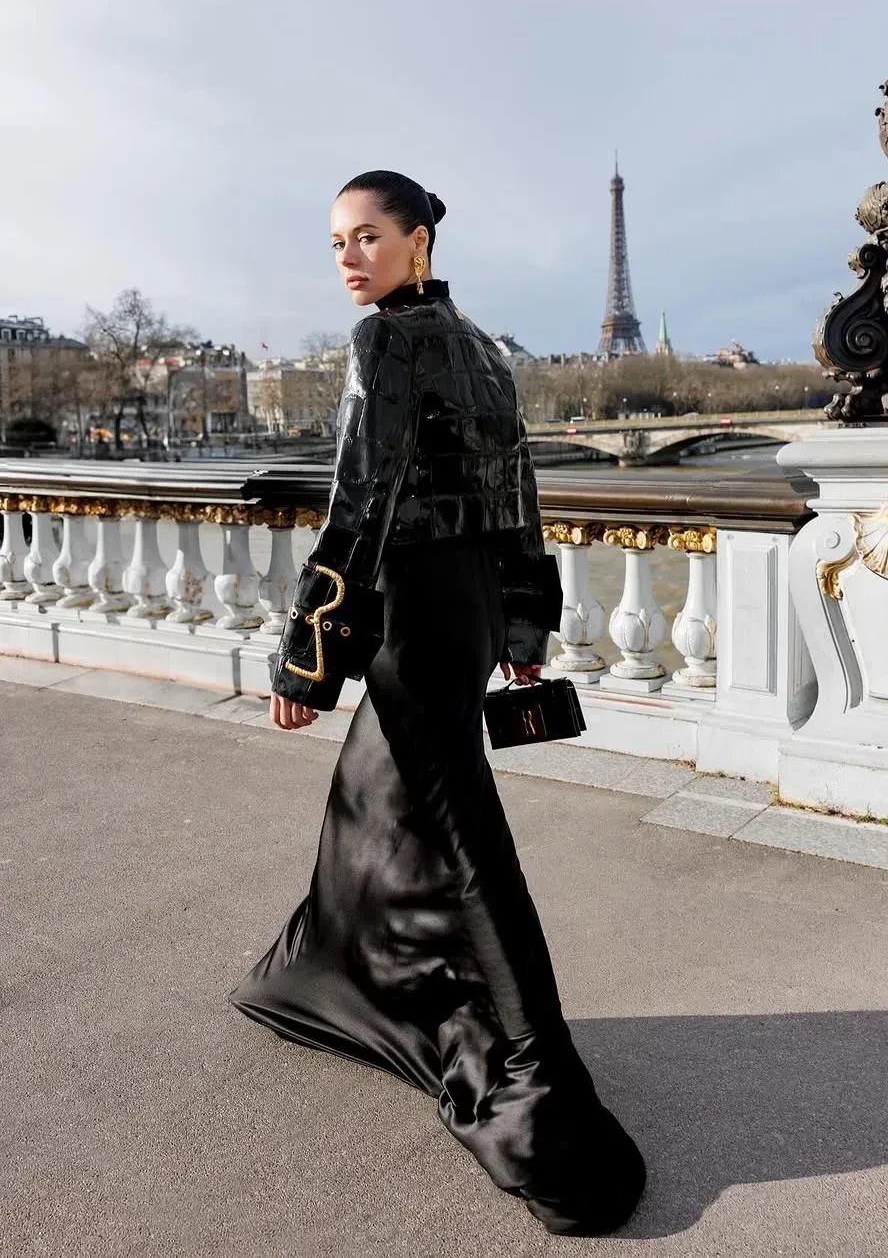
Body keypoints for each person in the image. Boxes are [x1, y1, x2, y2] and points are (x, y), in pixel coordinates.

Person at [229, 170, 646, 1236]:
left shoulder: (383, 341)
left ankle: (541, 1079)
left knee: (463, 838)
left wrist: (307, 660)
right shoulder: (485, 348)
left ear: (418, 240)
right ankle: (330, 977)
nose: (349, 257)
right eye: (337, 241)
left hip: (413, 613)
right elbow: (518, 495)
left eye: (368, 236)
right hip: (469, 609)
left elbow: (361, 501)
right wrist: (523, 625)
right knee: (376, 801)